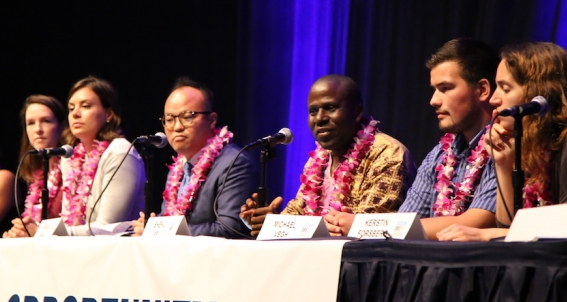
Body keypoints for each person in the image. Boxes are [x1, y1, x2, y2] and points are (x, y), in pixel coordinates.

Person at [437, 42, 567, 241]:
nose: (493, 99)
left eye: (505, 89)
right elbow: (508, 225)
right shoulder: (529, 144)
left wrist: (487, 235)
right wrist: (503, 165)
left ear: (538, 94)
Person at [240, 74, 416, 236]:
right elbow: (298, 212)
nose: (319, 118)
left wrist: (290, 226)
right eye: (313, 111)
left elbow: (369, 228)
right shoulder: (319, 160)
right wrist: (269, 222)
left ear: (356, 112)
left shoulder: (388, 154)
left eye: (330, 108)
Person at [397, 38, 500, 239]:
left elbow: (476, 222)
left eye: (446, 88)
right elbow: (406, 219)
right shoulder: (439, 155)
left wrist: (375, 227)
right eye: (434, 89)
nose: (433, 100)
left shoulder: (503, 144)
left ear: (482, 90)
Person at [132, 77, 258, 238]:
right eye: (169, 120)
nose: (177, 127)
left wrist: (163, 231)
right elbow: (170, 220)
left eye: (187, 117)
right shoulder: (177, 170)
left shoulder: (235, 163)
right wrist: (155, 226)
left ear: (212, 120)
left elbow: (231, 227)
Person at [58, 76, 145, 235]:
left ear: (109, 114)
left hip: (115, 253)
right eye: (71, 108)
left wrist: (55, 234)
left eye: (85, 106)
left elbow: (109, 226)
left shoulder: (120, 152)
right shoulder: (70, 157)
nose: (75, 114)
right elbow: (67, 219)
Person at [3, 95, 67, 238]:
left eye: (46, 121)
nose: (38, 129)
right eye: (31, 123)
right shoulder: (37, 174)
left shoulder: (72, 171)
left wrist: (35, 232)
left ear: (62, 126)